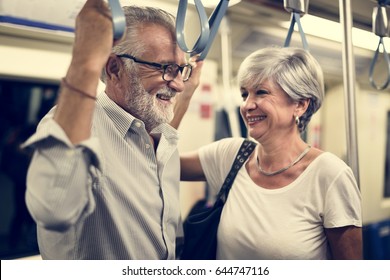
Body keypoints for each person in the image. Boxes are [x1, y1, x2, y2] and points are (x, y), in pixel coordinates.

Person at [23, 0, 203, 259]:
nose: (179, 85)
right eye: (166, 68)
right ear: (115, 68)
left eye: (181, 71)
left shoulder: (162, 137)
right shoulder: (80, 127)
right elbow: (54, 210)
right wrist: (85, 62)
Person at [178, 46, 362, 259]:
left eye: (261, 92)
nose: (247, 105)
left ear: (300, 105)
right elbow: (156, 161)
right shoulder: (231, 156)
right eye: (244, 94)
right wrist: (185, 93)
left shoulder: (330, 174)